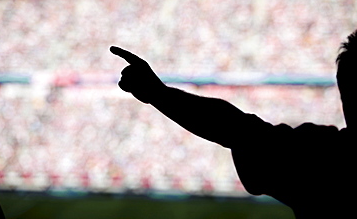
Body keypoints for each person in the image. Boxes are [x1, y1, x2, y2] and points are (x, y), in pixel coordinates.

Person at [110, 30, 356, 219]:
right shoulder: (325, 152)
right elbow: (238, 129)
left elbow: (236, 129)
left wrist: (158, 94)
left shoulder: (323, 156)